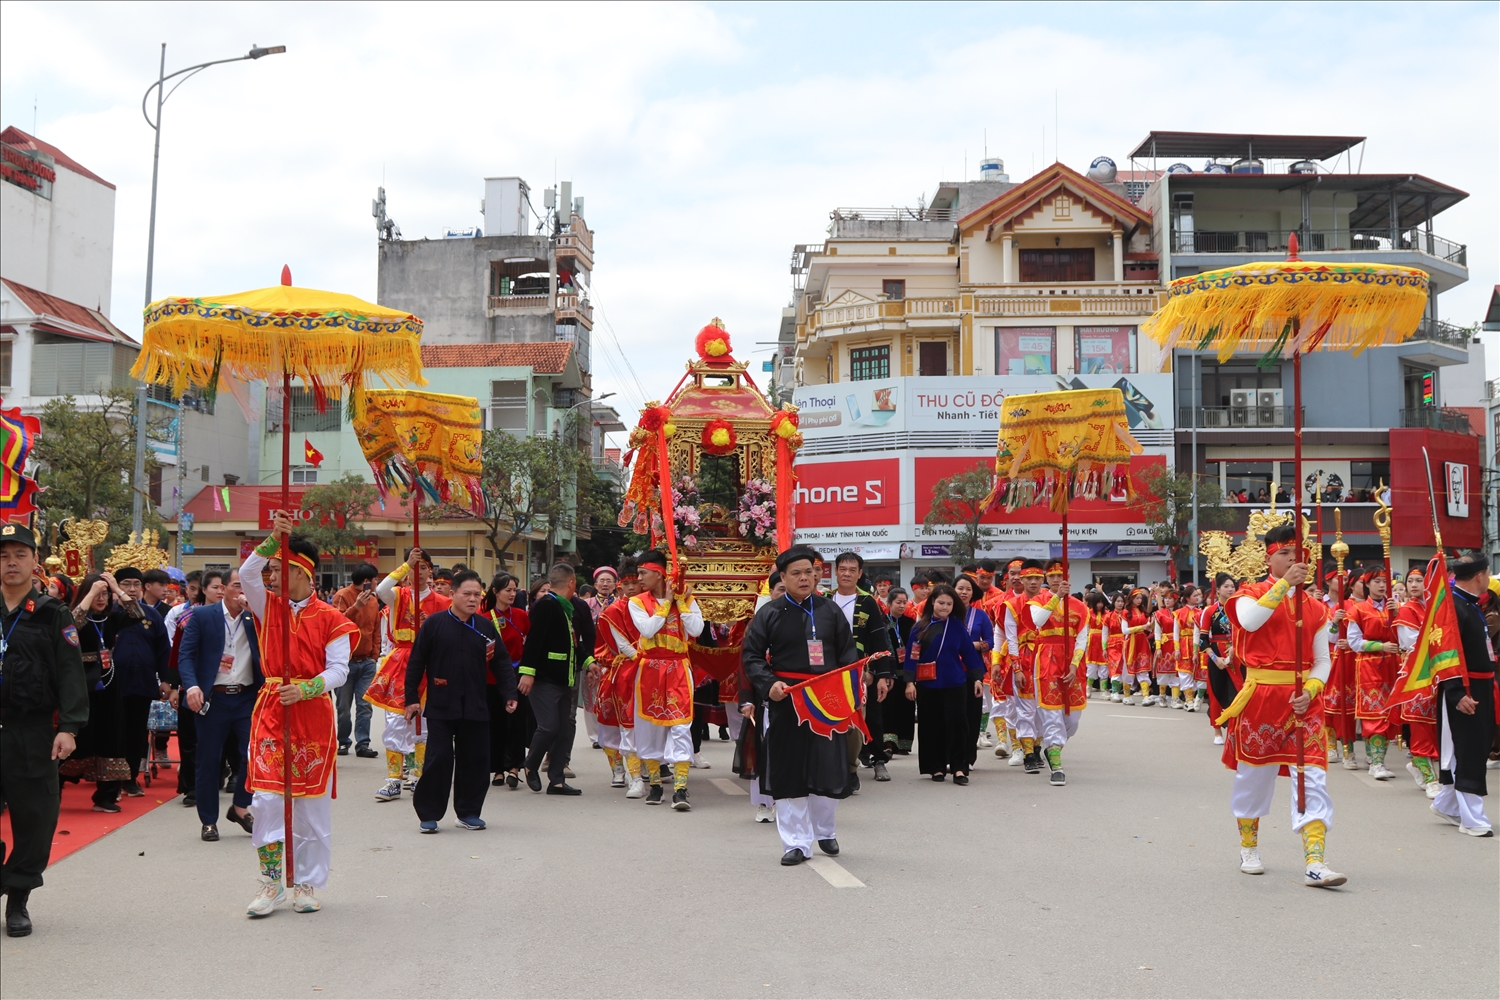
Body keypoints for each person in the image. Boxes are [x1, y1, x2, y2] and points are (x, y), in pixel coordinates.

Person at [240, 515, 359, 916]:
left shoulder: (332, 618)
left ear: (301, 571)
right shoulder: (266, 606)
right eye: (271, 569)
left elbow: (339, 670)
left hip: (312, 715)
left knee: (310, 805)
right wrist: (275, 538)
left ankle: (306, 884)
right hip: (273, 708)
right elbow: (247, 571)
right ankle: (270, 883)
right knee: (268, 799)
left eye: (279, 569)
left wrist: (307, 687)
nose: (270, 575)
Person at [1219, 522, 1344, 887]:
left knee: (1313, 778)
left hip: (1303, 702)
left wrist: (1314, 688)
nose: (1294, 559)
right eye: (1285, 553)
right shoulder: (1247, 594)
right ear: (1269, 557)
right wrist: (1284, 584)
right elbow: (1249, 620)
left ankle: (1315, 861)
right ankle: (1249, 846)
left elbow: (1323, 658)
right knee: (1254, 778)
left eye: (1298, 554)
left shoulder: (1317, 608)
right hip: (1261, 698)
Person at [742, 545, 859, 865]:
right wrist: (769, 684)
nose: (805, 578)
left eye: (810, 571)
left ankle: (825, 830)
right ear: (783, 577)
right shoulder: (768, 613)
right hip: (787, 700)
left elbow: (848, 654)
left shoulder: (830, 611)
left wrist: (850, 689)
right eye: (796, 573)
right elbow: (751, 657)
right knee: (789, 769)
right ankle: (796, 842)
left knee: (827, 765)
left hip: (826, 700)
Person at [0, 524, 88, 937]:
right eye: (3, 556)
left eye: (19, 554)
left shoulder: (53, 614)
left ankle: (18, 897)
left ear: (35, 561)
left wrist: (69, 727)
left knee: (35, 820)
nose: (11, 562)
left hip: (31, 731)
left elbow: (71, 674)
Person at [406, 570, 516, 832]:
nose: (472, 599)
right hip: (442, 704)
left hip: (476, 703)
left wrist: (509, 693)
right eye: (466, 593)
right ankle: (429, 814)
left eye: (477, 594)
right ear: (452, 594)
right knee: (439, 757)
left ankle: (468, 812)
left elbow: (500, 663)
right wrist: (411, 698)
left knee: (475, 760)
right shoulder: (433, 625)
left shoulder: (486, 627)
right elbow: (416, 662)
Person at [178, 568, 260, 842]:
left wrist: (258, 616)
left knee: (253, 754)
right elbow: (186, 655)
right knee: (209, 761)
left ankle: (239, 807)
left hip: (248, 697)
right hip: (214, 698)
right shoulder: (202, 616)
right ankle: (209, 821)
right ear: (223, 589)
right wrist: (191, 686)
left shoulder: (256, 618)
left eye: (245, 586)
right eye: (237, 585)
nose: (242, 591)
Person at [365, 548, 450, 802]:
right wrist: (405, 566)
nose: (418, 572)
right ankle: (393, 778)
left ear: (430, 571)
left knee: (422, 722)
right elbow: (380, 590)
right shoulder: (397, 596)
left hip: (430, 664)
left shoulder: (443, 603)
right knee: (395, 720)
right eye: (414, 567)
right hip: (401, 662)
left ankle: (417, 775)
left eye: (422, 567)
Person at [624, 551, 701, 809]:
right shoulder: (636, 602)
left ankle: (680, 788)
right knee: (650, 728)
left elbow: (696, 630)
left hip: (678, 667)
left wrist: (680, 602)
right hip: (650, 670)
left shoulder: (686, 597)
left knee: (681, 726)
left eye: (643, 573)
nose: (639, 578)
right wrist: (667, 603)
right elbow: (646, 629)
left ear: (658, 573)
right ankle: (655, 785)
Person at [63, 573, 139, 813]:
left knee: (112, 734)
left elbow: (138, 614)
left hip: (108, 680)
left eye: (105, 594)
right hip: (80, 680)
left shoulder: (112, 618)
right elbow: (71, 625)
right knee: (78, 733)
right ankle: (56, 786)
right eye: (98, 593)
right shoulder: (73, 615)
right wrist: (90, 594)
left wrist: (117, 588)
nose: (102, 598)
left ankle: (106, 795)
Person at [520, 563, 595, 796]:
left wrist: (589, 662)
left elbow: (572, 644)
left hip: (565, 678)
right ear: (572, 583)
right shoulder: (546, 606)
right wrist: (528, 672)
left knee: (563, 729)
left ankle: (557, 781)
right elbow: (533, 641)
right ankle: (530, 764)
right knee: (549, 726)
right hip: (544, 678)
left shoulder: (564, 607)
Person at [1434, 557, 1496, 836]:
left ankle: (1446, 802)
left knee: (1476, 746)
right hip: (1463, 688)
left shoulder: (1469, 603)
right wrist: (1457, 692)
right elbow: (1445, 655)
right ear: (1479, 576)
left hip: (1481, 685)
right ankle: (1473, 818)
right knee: (1467, 749)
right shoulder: (1452, 607)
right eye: (1487, 573)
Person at [904, 583, 986, 784]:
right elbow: (911, 656)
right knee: (932, 726)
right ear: (932, 602)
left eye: (949, 604)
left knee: (958, 724)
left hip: (955, 682)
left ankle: (959, 767)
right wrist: (909, 682)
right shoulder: (919, 628)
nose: (945, 607)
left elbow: (968, 653)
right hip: (927, 684)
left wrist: (977, 678)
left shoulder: (957, 625)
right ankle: (936, 767)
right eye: (941, 602)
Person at [830, 552, 893, 783]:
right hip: (829, 673)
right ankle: (836, 767)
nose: (847, 573)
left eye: (852, 569)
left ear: (859, 573)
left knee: (867, 719)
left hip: (861, 673)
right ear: (836, 571)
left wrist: (881, 674)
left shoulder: (867, 602)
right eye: (843, 569)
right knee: (832, 717)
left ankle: (873, 762)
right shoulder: (825, 600)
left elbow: (879, 640)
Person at [109, 566, 171, 797]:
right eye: (126, 584)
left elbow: (163, 650)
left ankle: (131, 778)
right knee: (114, 734)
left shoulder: (152, 615)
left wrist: (166, 680)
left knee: (137, 734)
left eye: (136, 584)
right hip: (112, 684)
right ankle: (112, 782)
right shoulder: (108, 613)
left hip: (142, 683)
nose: (132, 589)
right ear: (116, 586)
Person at [1027, 568, 1089, 785]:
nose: (1056, 579)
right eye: (1052, 576)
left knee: (1072, 720)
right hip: (1047, 659)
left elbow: (1082, 638)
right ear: (1047, 579)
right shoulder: (1037, 600)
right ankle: (1057, 767)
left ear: (1067, 578)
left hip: (1073, 662)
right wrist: (1056, 597)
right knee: (1052, 715)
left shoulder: (1080, 606)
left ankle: (1054, 747)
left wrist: (1074, 665)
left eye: (1060, 575)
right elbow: (1039, 622)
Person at [1346, 569, 1401, 779]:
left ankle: (1374, 759)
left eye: (1384, 582)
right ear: (1367, 584)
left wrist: (1398, 614)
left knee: (1388, 714)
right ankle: (1377, 763)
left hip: (1392, 666)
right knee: (1374, 713)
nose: (1381, 585)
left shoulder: (1394, 608)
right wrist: (1380, 645)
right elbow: (1354, 642)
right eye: (1377, 581)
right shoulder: (1358, 610)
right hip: (1369, 667)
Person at [1390, 566, 1439, 798]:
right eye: (1411, 580)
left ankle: (1422, 767)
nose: (1414, 584)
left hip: (1437, 670)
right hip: (1418, 672)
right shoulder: (1408, 610)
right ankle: (1431, 780)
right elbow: (1411, 643)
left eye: (1419, 580)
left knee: (1434, 725)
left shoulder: (1433, 608)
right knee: (1420, 723)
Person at [483, 573, 530, 787]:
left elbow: (529, 646)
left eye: (514, 589)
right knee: (496, 723)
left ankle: (514, 767)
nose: (512, 593)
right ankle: (498, 769)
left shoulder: (521, 615)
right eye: (507, 590)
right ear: (495, 592)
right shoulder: (483, 618)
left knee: (516, 723)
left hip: (517, 675)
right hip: (492, 677)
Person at [331, 563, 381, 758]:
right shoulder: (342, 595)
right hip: (345, 661)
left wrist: (374, 655)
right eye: (376, 580)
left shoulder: (374, 601)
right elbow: (336, 623)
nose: (377, 583)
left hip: (367, 661)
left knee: (364, 705)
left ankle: (363, 743)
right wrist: (356, 606)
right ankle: (343, 742)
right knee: (343, 706)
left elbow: (375, 628)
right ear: (367, 581)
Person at [1001, 561, 1047, 770]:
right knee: (1025, 709)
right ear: (1022, 580)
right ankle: (1028, 753)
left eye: (1037, 578)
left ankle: (1037, 747)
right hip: (1024, 660)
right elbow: (1011, 639)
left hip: (1046, 659)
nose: (1033, 582)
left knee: (1042, 709)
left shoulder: (1050, 602)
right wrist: (1017, 669)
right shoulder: (1013, 605)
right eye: (1029, 578)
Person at [1322, 571, 1358, 767]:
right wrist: (1335, 622)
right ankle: (1331, 745)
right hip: (1330, 658)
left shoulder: (1368, 606)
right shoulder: (1329, 606)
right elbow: (1327, 635)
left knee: (1353, 705)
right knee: (1332, 703)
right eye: (1338, 577)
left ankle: (1354, 749)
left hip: (1357, 658)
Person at [1200, 573, 1240, 745]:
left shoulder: (1240, 609)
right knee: (1216, 691)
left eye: (1232, 586)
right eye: (1226, 586)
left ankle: (1236, 729)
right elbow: (1202, 640)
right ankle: (1217, 731)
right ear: (1218, 590)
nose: (1230, 589)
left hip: (1236, 654)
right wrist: (1216, 658)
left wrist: (1235, 649)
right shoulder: (1210, 611)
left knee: (1238, 691)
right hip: (1216, 653)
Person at [881, 588, 915, 759]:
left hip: (907, 671)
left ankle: (904, 742)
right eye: (898, 602)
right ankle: (888, 742)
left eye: (904, 602)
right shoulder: (882, 623)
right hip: (889, 671)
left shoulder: (911, 623)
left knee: (907, 707)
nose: (902, 605)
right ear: (889, 603)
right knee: (888, 707)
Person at [1104, 592, 1127, 702]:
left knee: (1124, 668)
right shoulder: (1108, 616)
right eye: (1117, 601)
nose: (1120, 603)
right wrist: (1104, 648)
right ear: (1113, 602)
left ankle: (1121, 691)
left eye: (1122, 601)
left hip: (1125, 644)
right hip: (1113, 644)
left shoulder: (1127, 615)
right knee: (1115, 667)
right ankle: (1114, 692)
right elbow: (1104, 633)